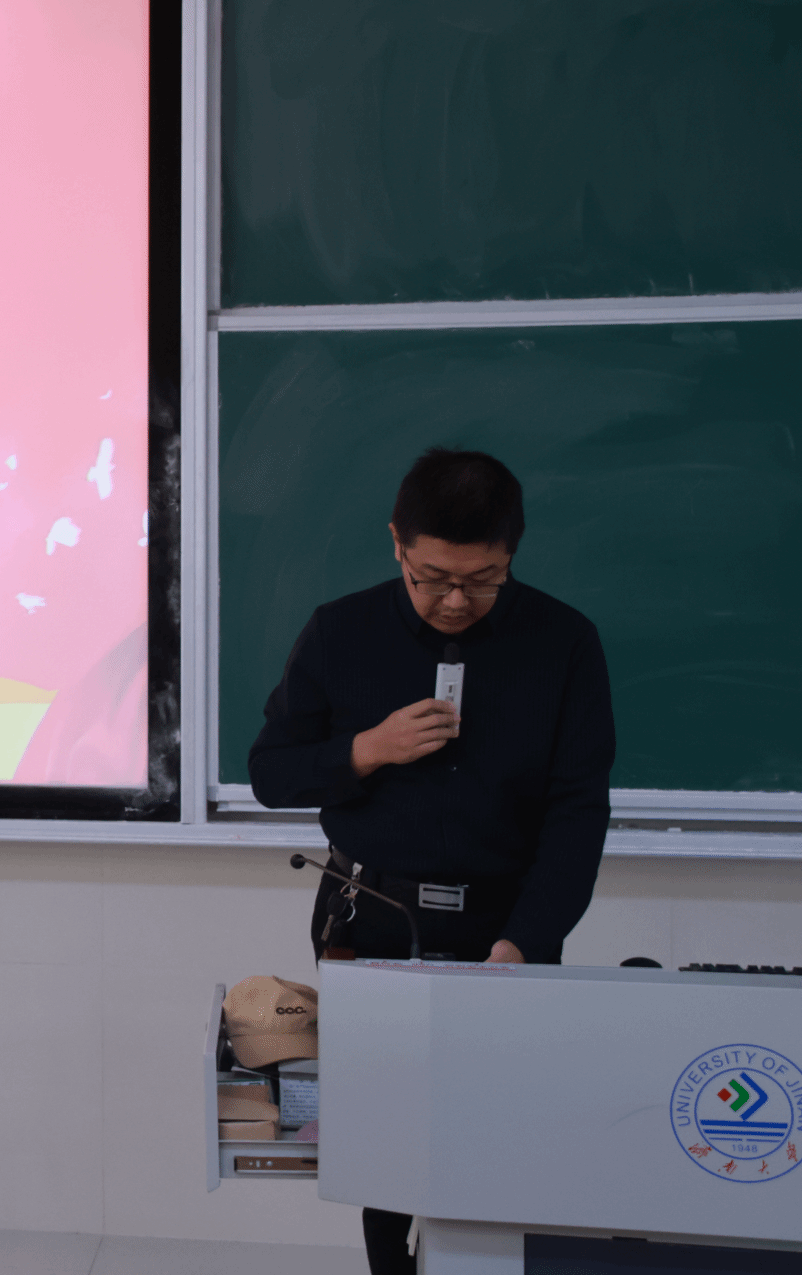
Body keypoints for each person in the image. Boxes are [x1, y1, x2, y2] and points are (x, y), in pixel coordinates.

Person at [247, 447, 614, 1275]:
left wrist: (526, 941)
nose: (455, 600)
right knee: (383, 1133)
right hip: (373, 915)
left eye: (483, 580)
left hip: (506, 919)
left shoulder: (563, 642)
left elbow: (577, 812)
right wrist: (366, 749)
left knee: (503, 1127)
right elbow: (271, 772)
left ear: (512, 553)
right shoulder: (341, 631)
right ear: (396, 544)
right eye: (433, 578)